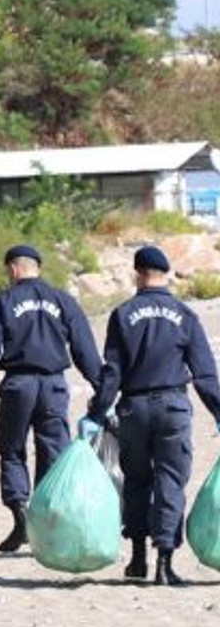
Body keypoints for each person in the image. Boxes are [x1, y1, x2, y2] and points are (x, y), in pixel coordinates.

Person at [79, 247, 220, 586]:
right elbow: (204, 372)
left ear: (137, 272)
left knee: (137, 481)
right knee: (170, 481)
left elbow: (111, 372)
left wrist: (97, 413)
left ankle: (138, 558)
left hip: (134, 410)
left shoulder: (123, 314)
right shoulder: (185, 315)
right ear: (166, 273)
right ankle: (165, 562)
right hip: (173, 408)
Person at [0, 245, 101, 553]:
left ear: (13, 269)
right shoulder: (63, 300)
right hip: (54, 387)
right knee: (52, 452)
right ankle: (47, 522)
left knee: (12, 452)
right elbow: (85, 351)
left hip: (18, 386)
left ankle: (20, 514)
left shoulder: (4, 301)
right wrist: (102, 389)